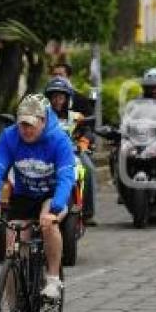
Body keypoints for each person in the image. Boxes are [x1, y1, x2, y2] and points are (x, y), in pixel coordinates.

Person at [0, 95, 75, 305]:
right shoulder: (9, 137)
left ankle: (52, 279)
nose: (26, 130)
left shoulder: (59, 140)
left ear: (43, 120)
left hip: (52, 194)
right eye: (22, 124)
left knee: (48, 225)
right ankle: (12, 310)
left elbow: (67, 177)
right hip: (24, 194)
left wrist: (55, 209)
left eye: (31, 124)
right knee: (12, 248)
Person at [44, 77, 98, 226]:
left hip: (71, 153)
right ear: (48, 99)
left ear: (67, 98)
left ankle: (87, 213)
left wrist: (83, 142)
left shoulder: (74, 116)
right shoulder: (42, 117)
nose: (57, 101)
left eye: (61, 97)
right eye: (54, 97)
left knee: (88, 169)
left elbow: (87, 129)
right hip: (44, 154)